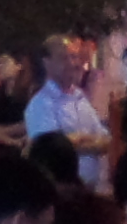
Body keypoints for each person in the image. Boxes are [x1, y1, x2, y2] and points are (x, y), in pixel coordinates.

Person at [24, 39, 113, 190]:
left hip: (90, 190)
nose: (73, 63)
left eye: (74, 57)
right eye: (64, 58)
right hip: (61, 193)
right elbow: (53, 149)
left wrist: (79, 140)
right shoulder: (40, 104)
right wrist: (90, 141)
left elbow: (106, 140)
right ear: (46, 62)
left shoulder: (80, 98)